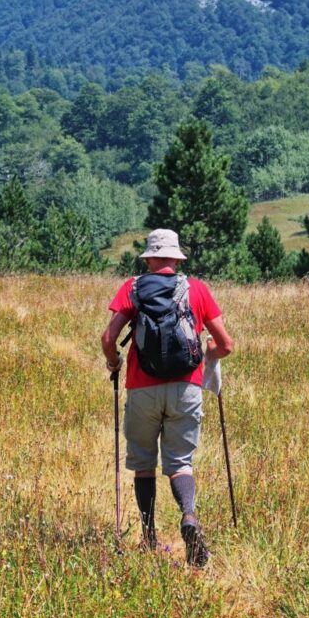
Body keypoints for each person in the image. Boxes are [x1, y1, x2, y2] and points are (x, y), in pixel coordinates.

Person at [100, 228, 233, 567]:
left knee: (143, 465)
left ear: (149, 257)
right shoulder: (196, 290)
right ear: (176, 258)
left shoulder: (132, 288)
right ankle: (188, 515)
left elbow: (108, 337)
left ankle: (148, 537)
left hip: (141, 387)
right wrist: (210, 353)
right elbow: (227, 344)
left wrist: (114, 362)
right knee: (180, 464)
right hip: (185, 387)